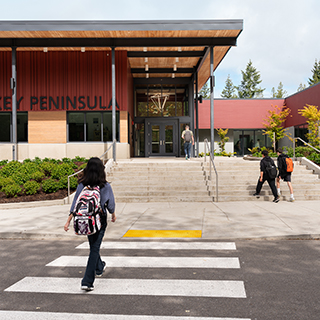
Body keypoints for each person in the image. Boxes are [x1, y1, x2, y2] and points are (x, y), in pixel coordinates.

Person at [64, 157, 116, 291]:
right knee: (94, 248)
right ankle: (87, 281)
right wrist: (113, 214)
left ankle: (99, 267)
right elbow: (110, 204)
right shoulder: (105, 186)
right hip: (100, 219)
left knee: (93, 246)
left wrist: (69, 220)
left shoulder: (82, 185)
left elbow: (76, 203)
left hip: (85, 220)